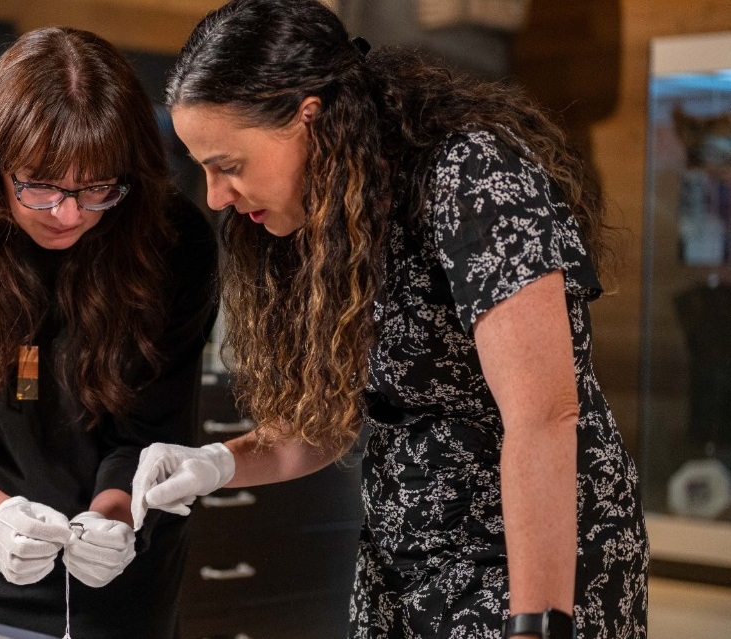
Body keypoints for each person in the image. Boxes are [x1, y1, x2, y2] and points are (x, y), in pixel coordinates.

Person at [130, 1, 648, 638]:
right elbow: (322, 425)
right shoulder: (326, 219)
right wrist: (215, 462)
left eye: (229, 166)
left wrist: (536, 624)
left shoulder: (473, 179)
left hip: (526, 569)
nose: (215, 197)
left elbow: (543, 416)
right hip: (401, 568)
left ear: (308, 118)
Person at [0, 26, 218, 639]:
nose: (68, 213)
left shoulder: (172, 238)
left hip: (122, 550)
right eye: (41, 185)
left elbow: (152, 429)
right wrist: (0, 517)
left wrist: (113, 521)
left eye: (97, 188)